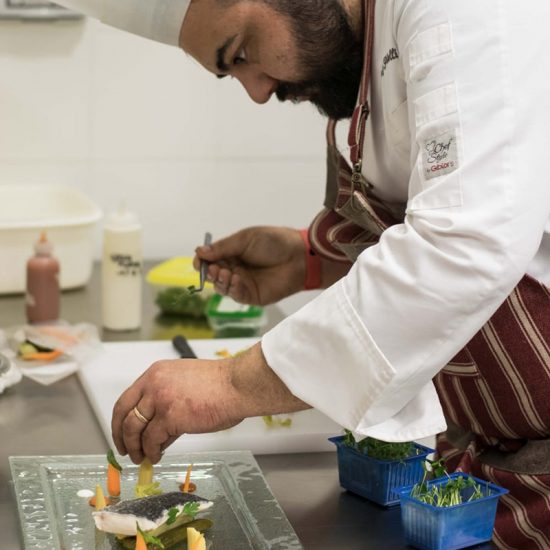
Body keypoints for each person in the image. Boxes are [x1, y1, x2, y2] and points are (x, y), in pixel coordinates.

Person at [57, 0, 550, 547]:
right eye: (232, 71)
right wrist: (309, 256)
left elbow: (466, 240)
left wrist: (231, 383)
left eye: (240, 51)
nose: (257, 90)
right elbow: (426, 201)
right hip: (487, 460)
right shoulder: (356, 54)